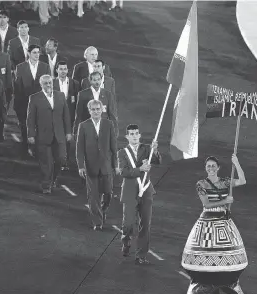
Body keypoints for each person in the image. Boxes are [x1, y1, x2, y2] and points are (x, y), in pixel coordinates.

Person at [181, 155, 248, 294]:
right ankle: (202, 285)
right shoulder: (201, 184)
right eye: (208, 166)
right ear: (205, 168)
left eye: (213, 166)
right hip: (207, 219)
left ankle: (230, 283)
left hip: (224, 219)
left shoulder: (225, 182)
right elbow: (206, 204)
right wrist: (225, 200)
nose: (210, 168)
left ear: (218, 168)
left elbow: (242, 180)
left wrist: (236, 163)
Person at [117, 124, 161, 263]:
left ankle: (141, 255)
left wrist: (155, 150)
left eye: (136, 133)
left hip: (146, 190)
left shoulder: (147, 148)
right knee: (128, 223)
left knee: (145, 224)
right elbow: (123, 172)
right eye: (131, 134)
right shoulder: (122, 153)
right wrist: (140, 168)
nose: (135, 136)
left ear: (140, 135)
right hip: (130, 191)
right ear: (127, 137)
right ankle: (126, 240)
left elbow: (157, 161)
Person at [76, 99, 119, 230]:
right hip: (90, 166)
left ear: (102, 110)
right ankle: (97, 222)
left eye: (97, 109)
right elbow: (80, 148)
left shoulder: (109, 124)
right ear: (89, 111)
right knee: (93, 195)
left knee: (108, 193)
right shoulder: (83, 126)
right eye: (93, 109)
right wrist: (81, 166)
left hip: (106, 165)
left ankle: (102, 209)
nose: (95, 111)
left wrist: (116, 165)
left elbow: (113, 146)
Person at [27, 74, 72, 193]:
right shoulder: (34, 98)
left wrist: (68, 132)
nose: (48, 85)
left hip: (59, 134)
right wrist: (31, 134)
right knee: (46, 162)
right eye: (45, 83)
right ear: (41, 85)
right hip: (43, 135)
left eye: (50, 83)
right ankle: (46, 185)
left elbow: (66, 115)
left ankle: (53, 179)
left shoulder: (60, 96)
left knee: (61, 159)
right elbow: (30, 118)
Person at [14, 44, 50, 157]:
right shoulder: (20, 67)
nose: (37, 55)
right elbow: (17, 87)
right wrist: (18, 105)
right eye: (34, 52)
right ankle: (25, 148)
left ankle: (37, 149)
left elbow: (48, 87)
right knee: (25, 126)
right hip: (24, 102)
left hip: (41, 102)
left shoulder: (45, 67)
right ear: (29, 53)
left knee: (39, 126)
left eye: (38, 52)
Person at [53, 61, 80, 170]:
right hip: (56, 116)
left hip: (70, 116)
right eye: (61, 69)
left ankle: (66, 161)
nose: (63, 71)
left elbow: (78, 101)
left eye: (65, 69)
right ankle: (57, 160)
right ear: (57, 70)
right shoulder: (52, 83)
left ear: (68, 70)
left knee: (68, 138)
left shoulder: (75, 84)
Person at [73, 71, 118, 138]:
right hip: (88, 129)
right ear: (90, 81)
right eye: (94, 80)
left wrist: (115, 131)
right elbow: (79, 115)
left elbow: (112, 114)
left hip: (104, 129)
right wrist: (76, 131)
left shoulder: (108, 94)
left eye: (99, 79)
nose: (97, 82)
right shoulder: (82, 94)